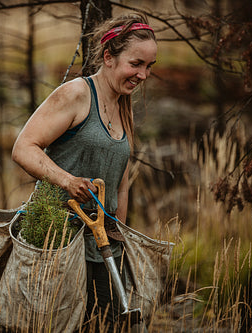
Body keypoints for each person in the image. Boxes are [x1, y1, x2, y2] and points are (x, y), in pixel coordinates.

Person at [12, 13, 157, 332]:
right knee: (59, 324)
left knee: (108, 322)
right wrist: (67, 180)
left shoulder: (123, 104)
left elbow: (120, 179)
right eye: (136, 63)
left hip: (103, 242)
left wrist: (118, 231)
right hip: (58, 239)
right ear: (108, 57)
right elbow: (23, 147)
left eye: (149, 66)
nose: (143, 74)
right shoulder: (77, 94)